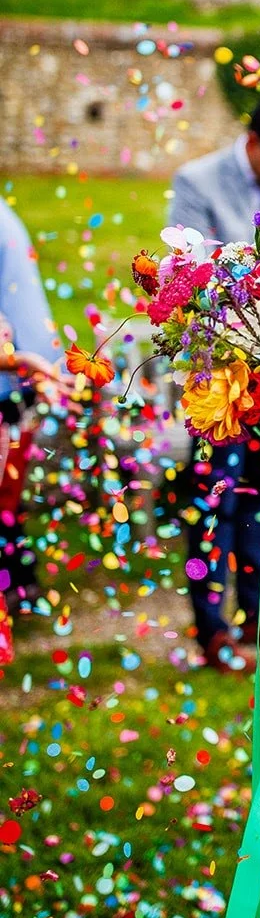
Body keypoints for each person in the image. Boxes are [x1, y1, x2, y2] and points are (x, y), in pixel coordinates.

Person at [169, 93, 260, 672]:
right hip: (216, 377)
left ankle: (256, 625)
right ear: (253, 144)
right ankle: (212, 634)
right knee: (213, 506)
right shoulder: (198, 181)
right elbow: (187, 275)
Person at [0, 204, 68, 618]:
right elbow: (22, 297)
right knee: (5, 497)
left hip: (12, 376)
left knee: (7, 496)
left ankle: (17, 585)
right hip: (11, 380)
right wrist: (40, 363)